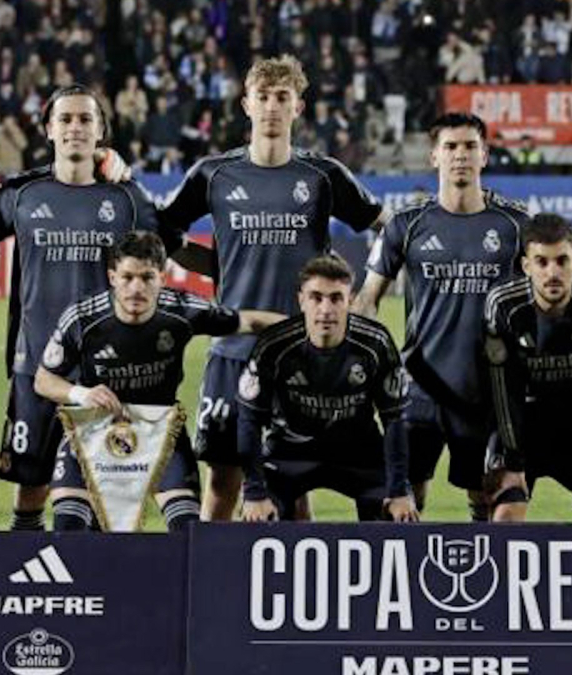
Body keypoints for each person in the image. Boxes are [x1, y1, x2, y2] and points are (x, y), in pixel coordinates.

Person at [158, 55, 385, 522]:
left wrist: (367, 295)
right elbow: (165, 233)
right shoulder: (213, 174)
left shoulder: (322, 175)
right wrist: (218, 267)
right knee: (222, 480)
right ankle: (211, 564)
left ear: (298, 106)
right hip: (233, 350)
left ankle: (295, 571)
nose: (272, 106)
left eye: (283, 97)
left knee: (294, 483)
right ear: (246, 104)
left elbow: (390, 229)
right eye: (263, 97)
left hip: (302, 357)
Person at [0, 84, 183, 531]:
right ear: (48, 129)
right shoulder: (20, 194)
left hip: (106, 371)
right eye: (65, 119)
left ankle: (97, 570)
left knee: (105, 496)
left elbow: (174, 247)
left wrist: (229, 269)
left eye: (86, 119)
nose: (75, 127)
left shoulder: (127, 198)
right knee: (30, 489)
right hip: (35, 365)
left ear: (101, 130)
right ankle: (25, 561)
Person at [33, 231, 284, 531]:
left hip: (160, 431)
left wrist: (307, 327)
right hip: (93, 430)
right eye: (127, 277)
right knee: (68, 528)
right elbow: (44, 380)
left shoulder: (182, 310)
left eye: (147, 277)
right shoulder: (82, 318)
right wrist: (81, 394)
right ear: (112, 277)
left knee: (187, 530)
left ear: (162, 278)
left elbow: (249, 321)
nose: (136, 288)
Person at [355, 111, 530, 521]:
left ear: (485, 155)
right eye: (450, 147)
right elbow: (367, 300)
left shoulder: (516, 225)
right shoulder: (406, 225)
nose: (460, 155)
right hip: (419, 390)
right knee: (402, 500)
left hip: (487, 392)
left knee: (485, 497)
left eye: (470, 146)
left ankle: (481, 565)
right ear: (434, 156)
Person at [237, 255, 418, 523]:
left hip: (360, 455)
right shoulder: (274, 346)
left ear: (350, 301)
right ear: (301, 300)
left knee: (397, 518)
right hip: (289, 455)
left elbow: (394, 419)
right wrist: (254, 492)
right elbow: (249, 421)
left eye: (336, 298)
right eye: (316, 298)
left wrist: (398, 491)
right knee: (259, 519)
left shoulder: (375, 343)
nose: (326, 309)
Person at [483, 213, 572, 523]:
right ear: (526, 266)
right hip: (521, 429)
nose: (552, 273)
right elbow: (504, 391)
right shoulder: (503, 305)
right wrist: (513, 463)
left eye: (562, 261)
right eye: (542, 262)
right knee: (505, 518)